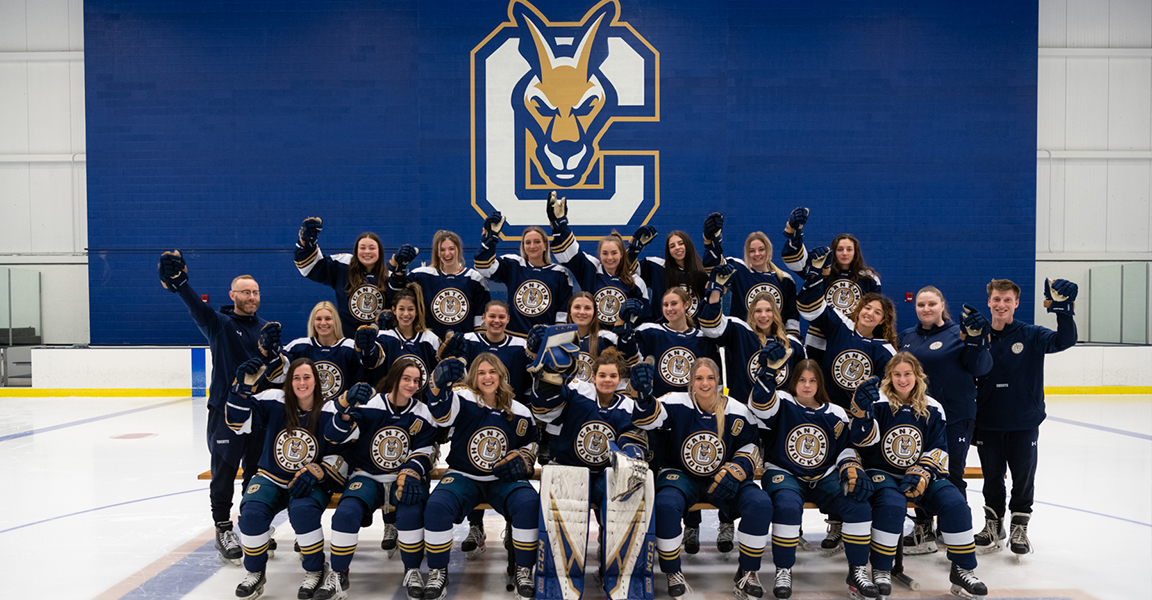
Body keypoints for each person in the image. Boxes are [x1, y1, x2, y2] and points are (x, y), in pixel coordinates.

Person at [158, 250, 277, 565]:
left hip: (260, 414)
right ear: (233, 295)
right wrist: (181, 284)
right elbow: (197, 309)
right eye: (245, 292)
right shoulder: (220, 324)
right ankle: (223, 528)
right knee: (224, 473)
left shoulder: (266, 329)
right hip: (225, 413)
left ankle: (253, 523)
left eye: (255, 292)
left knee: (256, 471)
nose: (251, 297)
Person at [849, 353, 989, 600]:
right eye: (897, 374)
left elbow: (939, 447)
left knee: (955, 503)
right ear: (889, 377)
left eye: (907, 374)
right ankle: (882, 568)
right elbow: (863, 442)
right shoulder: (878, 402)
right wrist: (861, 414)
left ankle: (963, 569)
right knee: (891, 505)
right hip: (883, 473)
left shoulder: (933, 406)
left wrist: (924, 470)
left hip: (922, 474)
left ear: (917, 376)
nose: (902, 379)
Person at [633, 358, 772, 600]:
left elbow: (750, 447)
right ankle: (672, 572)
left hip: (722, 476)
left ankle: (748, 571)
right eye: (699, 378)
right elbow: (648, 419)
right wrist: (643, 398)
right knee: (665, 504)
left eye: (710, 378)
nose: (705, 383)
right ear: (691, 381)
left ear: (718, 381)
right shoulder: (675, 402)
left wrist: (736, 469)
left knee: (759, 503)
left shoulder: (737, 410)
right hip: (682, 475)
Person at [529, 346, 653, 596]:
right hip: (570, 473)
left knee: (627, 498)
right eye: (603, 375)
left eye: (613, 376)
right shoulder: (577, 393)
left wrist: (630, 453)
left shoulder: (628, 405)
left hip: (606, 475)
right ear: (593, 376)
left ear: (620, 379)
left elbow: (633, 436)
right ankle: (558, 579)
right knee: (562, 519)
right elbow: (546, 406)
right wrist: (549, 377)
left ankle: (617, 570)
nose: (607, 380)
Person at [748, 354, 875, 600]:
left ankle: (857, 570)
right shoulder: (782, 401)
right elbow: (760, 405)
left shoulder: (836, 412)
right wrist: (767, 375)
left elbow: (846, 447)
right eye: (802, 380)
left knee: (857, 503)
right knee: (786, 507)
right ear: (794, 382)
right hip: (784, 473)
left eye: (813, 380)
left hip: (824, 476)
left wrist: (850, 464)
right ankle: (783, 569)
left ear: (820, 384)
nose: (807, 385)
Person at [795, 251, 896, 551]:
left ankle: (845, 523)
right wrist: (815, 276)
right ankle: (825, 523)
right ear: (859, 308)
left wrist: (864, 411)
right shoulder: (840, 325)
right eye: (867, 308)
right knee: (822, 466)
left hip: (856, 422)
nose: (870, 314)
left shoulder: (884, 349)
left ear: (882, 320)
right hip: (827, 414)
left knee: (849, 472)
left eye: (877, 312)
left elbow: (887, 389)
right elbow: (813, 309)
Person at [226, 358, 349, 600]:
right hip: (271, 476)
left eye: (307, 377)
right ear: (289, 381)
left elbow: (345, 454)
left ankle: (315, 570)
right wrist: (239, 392)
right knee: (250, 514)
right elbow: (237, 423)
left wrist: (319, 471)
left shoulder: (331, 410)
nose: (302, 383)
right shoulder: (273, 400)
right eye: (296, 378)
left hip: (310, 480)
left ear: (317, 380)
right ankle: (255, 573)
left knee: (303, 513)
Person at [422, 354, 541, 600]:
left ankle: (524, 570)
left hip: (502, 480)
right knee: (436, 506)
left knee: (529, 504)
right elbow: (441, 415)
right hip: (464, 475)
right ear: (473, 377)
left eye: (492, 372)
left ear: (501, 375)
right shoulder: (463, 399)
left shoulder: (519, 410)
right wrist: (437, 386)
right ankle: (437, 572)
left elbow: (531, 444)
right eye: (481, 372)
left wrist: (523, 460)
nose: (487, 377)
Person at [973, 278, 1077, 556]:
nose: (1001, 304)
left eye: (1007, 300)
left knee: (1023, 477)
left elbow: (1065, 341)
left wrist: (1063, 309)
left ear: (1016, 303)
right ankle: (993, 525)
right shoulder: (977, 336)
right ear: (989, 302)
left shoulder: (1030, 334)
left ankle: (1020, 527)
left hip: (1023, 423)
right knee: (992, 478)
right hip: (988, 424)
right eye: (997, 299)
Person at [318, 361, 439, 600]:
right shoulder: (371, 404)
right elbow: (334, 436)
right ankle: (339, 572)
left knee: (411, 511)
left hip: (402, 477)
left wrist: (413, 471)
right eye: (406, 379)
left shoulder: (423, 412)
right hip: (366, 475)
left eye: (416, 381)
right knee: (346, 512)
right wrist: (344, 412)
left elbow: (428, 450)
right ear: (394, 378)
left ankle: (412, 569)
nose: (412, 385)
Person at [897, 286, 993, 554]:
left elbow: (981, 368)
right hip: (918, 420)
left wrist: (978, 341)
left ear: (942, 305)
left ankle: (954, 531)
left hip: (955, 416)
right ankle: (924, 529)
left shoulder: (958, 334)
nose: (925, 309)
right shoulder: (906, 337)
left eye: (931, 304)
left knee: (951, 474)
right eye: (920, 304)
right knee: (917, 472)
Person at [453, 300, 532, 557]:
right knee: (475, 463)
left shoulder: (520, 346)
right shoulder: (469, 340)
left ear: (508, 319)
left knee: (507, 470)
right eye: (491, 316)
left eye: (501, 317)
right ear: (483, 318)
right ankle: (476, 527)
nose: (496, 321)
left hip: (509, 418)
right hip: (478, 414)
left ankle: (512, 525)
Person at [698, 264, 807, 405]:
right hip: (743, 412)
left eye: (768, 310)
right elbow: (711, 327)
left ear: (775, 313)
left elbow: (802, 381)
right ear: (751, 314)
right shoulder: (740, 332)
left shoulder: (793, 345)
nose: (763, 315)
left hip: (778, 415)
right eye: (758, 311)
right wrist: (716, 289)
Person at [547, 192, 648, 333]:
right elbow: (571, 252)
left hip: (619, 343)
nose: (609, 258)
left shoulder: (635, 281)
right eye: (605, 253)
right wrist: (560, 225)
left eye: (614, 253)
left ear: (622, 254)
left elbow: (644, 317)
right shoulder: (591, 269)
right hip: (591, 339)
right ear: (599, 254)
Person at [701, 211, 802, 336]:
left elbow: (791, 317)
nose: (757, 254)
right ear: (746, 253)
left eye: (761, 249)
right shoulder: (738, 269)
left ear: (769, 250)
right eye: (752, 251)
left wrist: (792, 343)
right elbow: (714, 268)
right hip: (743, 340)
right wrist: (712, 243)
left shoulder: (785, 280)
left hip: (775, 343)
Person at [474, 215, 575, 337]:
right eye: (528, 242)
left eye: (537, 242)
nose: (532, 246)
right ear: (523, 246)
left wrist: (555, 341)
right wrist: (490, 239)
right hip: (513, 338)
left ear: (545, 246)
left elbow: (562, 314)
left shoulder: (560, 273)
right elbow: (483, 266)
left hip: (542, 341)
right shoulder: (514, 264)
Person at [294, 219, 400, 330]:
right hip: (346, 341)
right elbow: (311, 267)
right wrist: (307, 242)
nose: (367, 251)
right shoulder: (343, 265)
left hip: (379, 342)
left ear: (380, 252)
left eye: (372, 248)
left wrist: (400, 270)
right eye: (362, 248)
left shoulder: (390, 277)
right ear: (356, 250)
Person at [628, 287, 721, 399]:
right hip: (657, 405)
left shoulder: (703, 339)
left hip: (691, 406)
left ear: (686, 305)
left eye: (674, 304)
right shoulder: (648, 331)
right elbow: (631, 361)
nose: (669, 308)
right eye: (665, 305)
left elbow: (714, 378)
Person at [782, 212, 880, 317]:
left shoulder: (869, 278)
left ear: (856, 253)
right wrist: (794, 235)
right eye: (840, 249)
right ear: (833, 252)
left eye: (849, 249)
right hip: (821, 332)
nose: (845, 253)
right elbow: (796, 264)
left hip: (854, 331)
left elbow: (875, 311)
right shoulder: (823, 272)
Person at [397, 231, 491, 339]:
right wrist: (399, 268)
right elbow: (396, 295)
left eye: (451, 249)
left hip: (463, 348)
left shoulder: (474, 279)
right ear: (437, 252)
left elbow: (480, 320)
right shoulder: (421, 275)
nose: (447, 254)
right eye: (442, 250)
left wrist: (474, 346)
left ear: (458, 250)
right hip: (430, 346)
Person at [268, 301, 362, 401]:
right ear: (313, 322)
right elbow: (278, 377)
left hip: (339, 412)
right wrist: (271, 352)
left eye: (328, 319)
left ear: (336, 321)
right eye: (318, 319)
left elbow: (359, 384)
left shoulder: (351, 348)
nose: (323, 323)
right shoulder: (298, 346)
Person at [357, 284, 442, 393]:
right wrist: (366, 350)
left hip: (422, 405)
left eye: (410, 309)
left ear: (416, 311)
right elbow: (371, 361)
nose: (406, 314)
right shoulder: (384, 337)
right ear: (394, 310)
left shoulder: (430, 338)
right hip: (392, 403)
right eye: (401, 309)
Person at [631, 227, 709, 323]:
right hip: (663, 332)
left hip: (695, 333)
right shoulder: (657, 267)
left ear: (688, 245)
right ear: (668, 251)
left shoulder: (704, 271)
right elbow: (627, 269)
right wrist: (634, 249)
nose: (677, 247)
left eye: (681, 243)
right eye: (672, 246)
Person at [565, 292, 637, 383]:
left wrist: (626, 341)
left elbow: (630, 366)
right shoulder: (558, 341)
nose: (582, 312)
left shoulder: (607, 338)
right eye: (577, 307)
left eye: (587, 308)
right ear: (569, 312)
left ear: (594, 313)